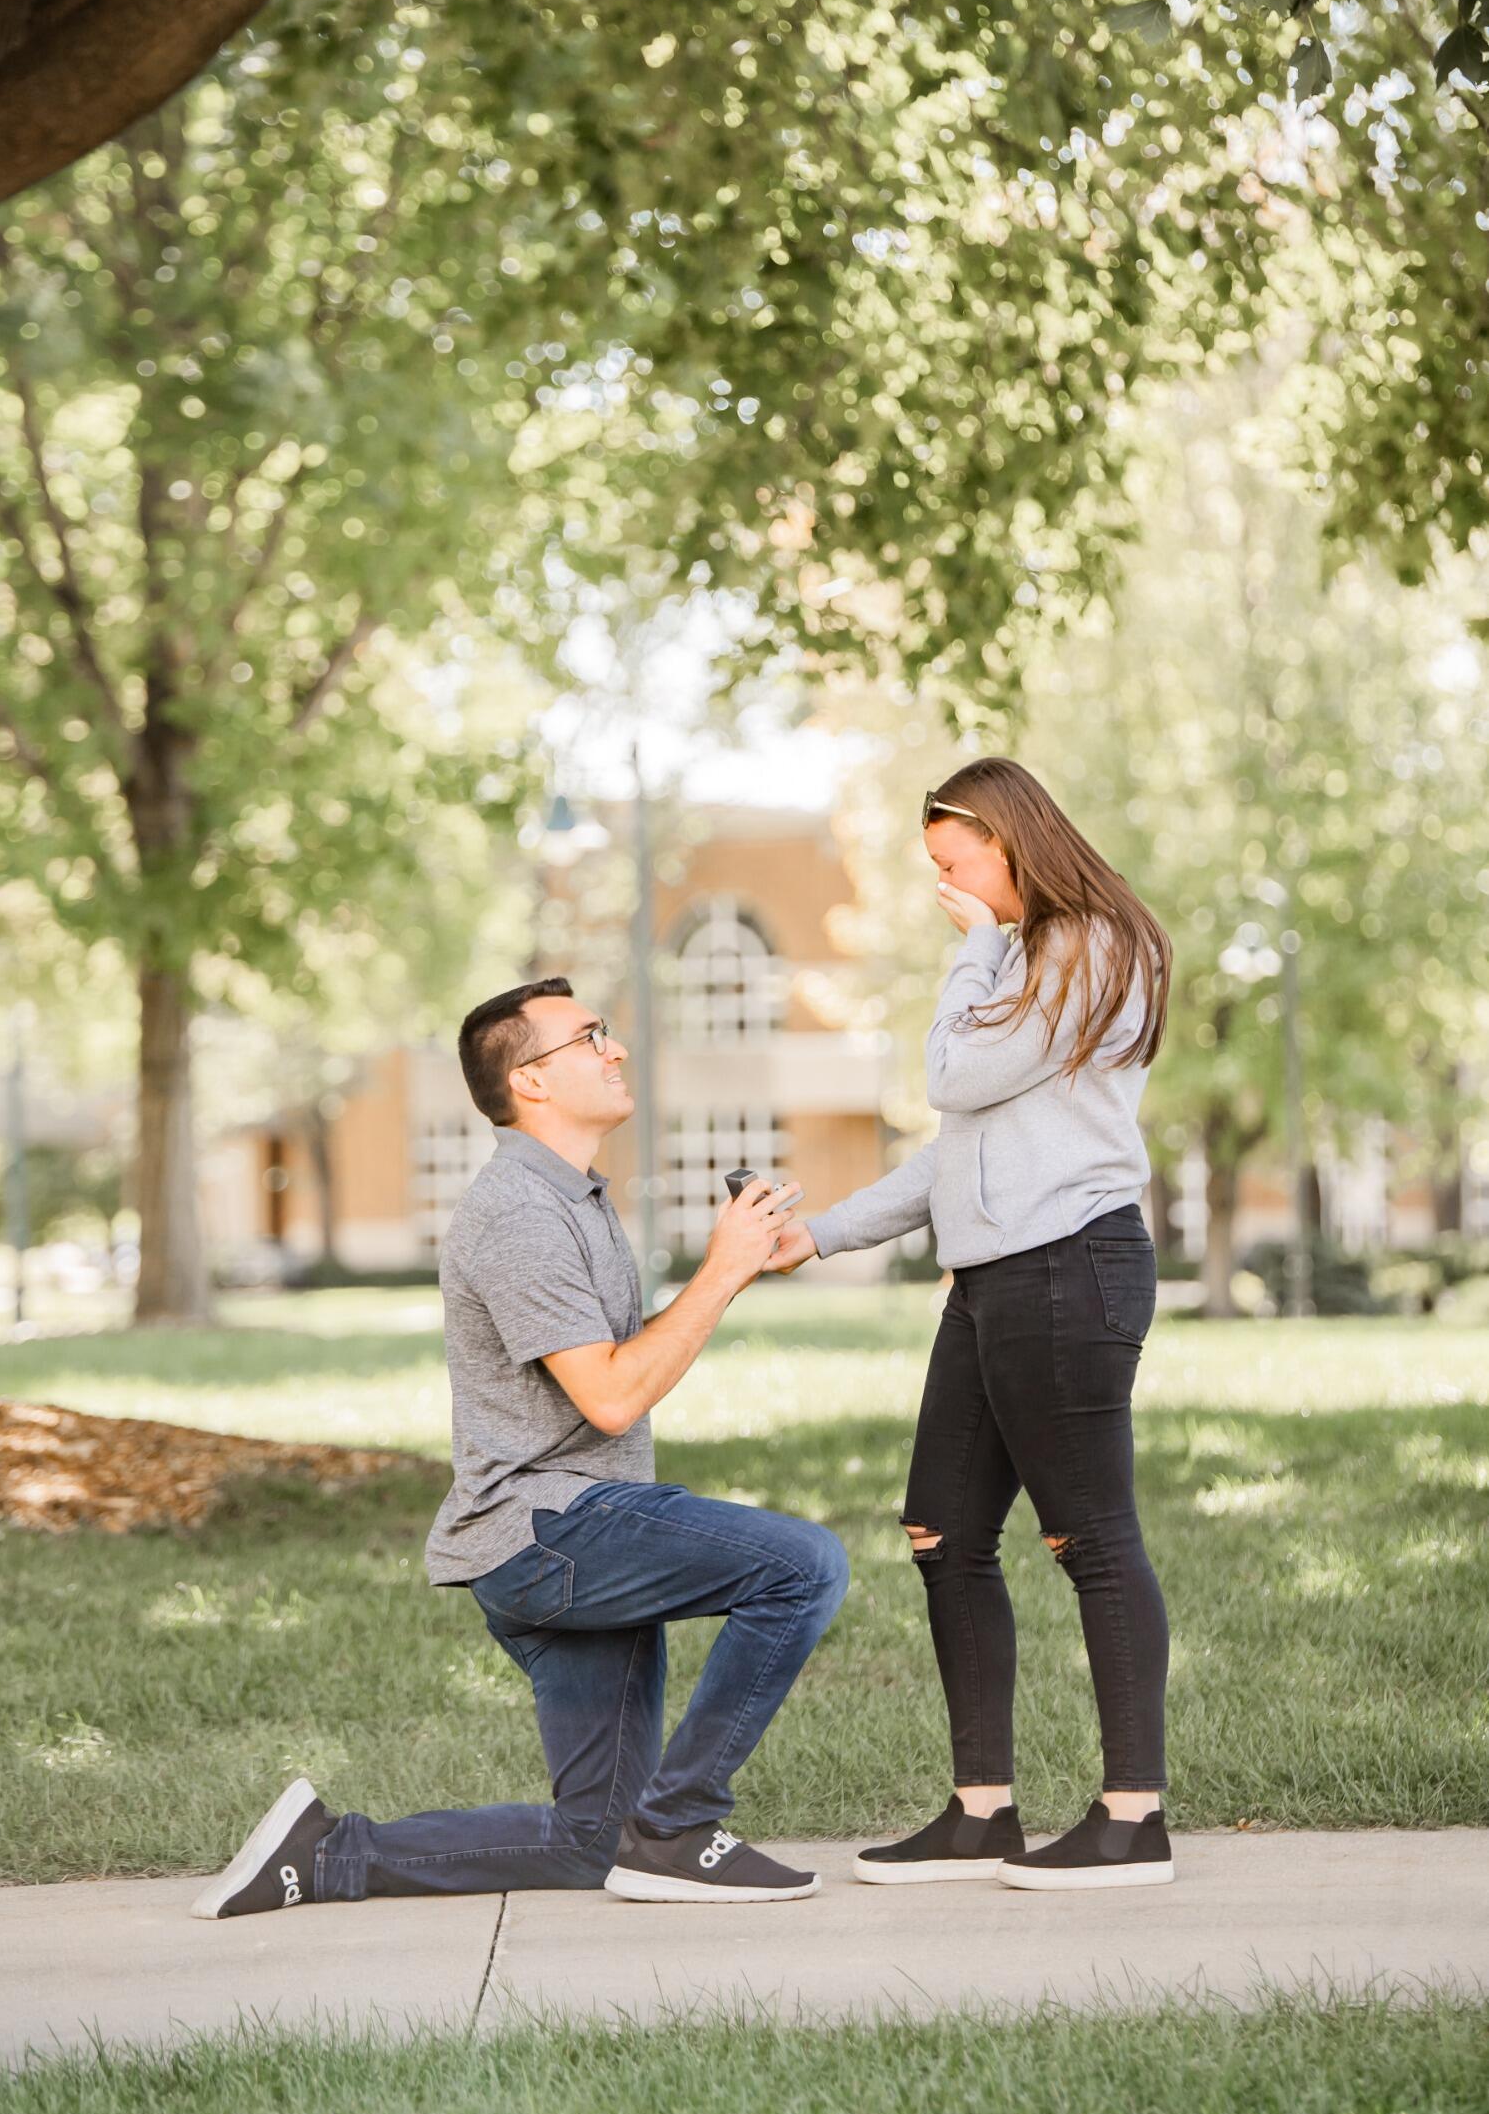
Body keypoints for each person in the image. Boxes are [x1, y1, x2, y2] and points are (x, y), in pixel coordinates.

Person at [194, 976, 847, 1921]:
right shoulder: (518, 1213)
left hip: (565, 1531)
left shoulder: (573, 1199)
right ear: (531, 1081)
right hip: (552, 1536)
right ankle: (683, 1826)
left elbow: (616, 1372)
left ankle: (329, 1854)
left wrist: (734, 1270)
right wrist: (724, 1269)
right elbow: (613, 1396)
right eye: (591, 1038)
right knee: (803, 1565)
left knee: (593, 1844)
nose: (616, 1050)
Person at [769, 759, 1176, 1891]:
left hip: (1066, 1269)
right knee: (941, 1528)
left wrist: (977, 946)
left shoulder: (1082, 944)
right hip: (993, 1279)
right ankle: (980, 1811)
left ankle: (1132, 1819)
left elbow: (949, 1075)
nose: (945, 886)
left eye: (955, 865)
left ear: (1010, 841)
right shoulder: (1032, 955)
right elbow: (963, 1148)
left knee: (1090, 1535)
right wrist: (826, 1233)